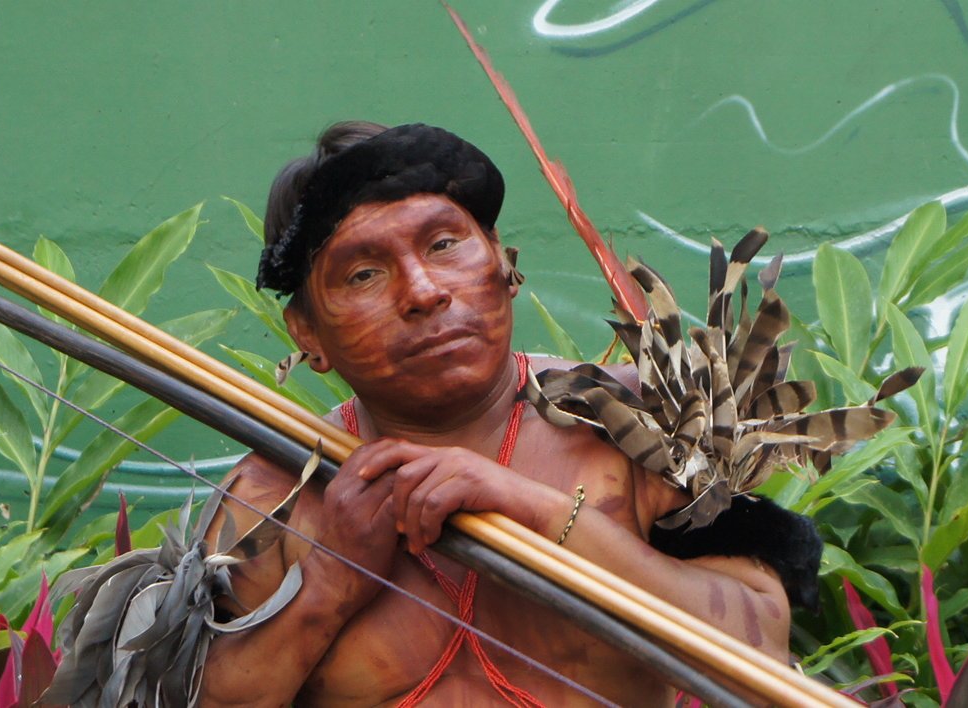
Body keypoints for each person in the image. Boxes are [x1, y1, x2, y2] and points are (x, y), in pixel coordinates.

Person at [198, 122, 794, 707]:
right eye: (363, 274)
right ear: (307, 333)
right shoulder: (273, 490)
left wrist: (537, 510)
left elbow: (762, 657)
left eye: (443, 244)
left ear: (502, 261)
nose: (423, 290)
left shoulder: (640, 423)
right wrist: (330, 582)